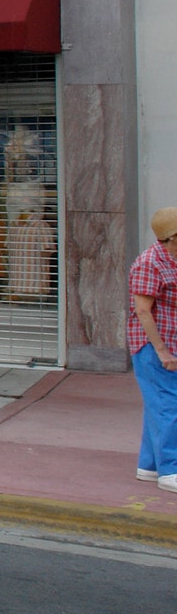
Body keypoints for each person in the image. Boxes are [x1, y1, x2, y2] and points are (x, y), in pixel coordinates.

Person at [127, 207, 177, 492]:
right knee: (169, 404)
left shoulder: (172, 258)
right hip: (153, 346)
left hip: (171, 341)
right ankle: (170, 470)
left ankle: (149, 465)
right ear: (171, 237)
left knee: (159, 404)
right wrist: (162, 351)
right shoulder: (149, 263)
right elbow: (143, 311)